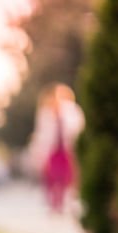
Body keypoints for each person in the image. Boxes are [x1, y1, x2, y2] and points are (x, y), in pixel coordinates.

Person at [27, 83, 85, 212]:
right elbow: (41, 133)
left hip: (68, 148)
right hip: (52, 150)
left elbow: (78, 128)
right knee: (52, 176)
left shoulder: (71, 111)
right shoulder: (46, 112)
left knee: (68, 176)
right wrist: (38, 152)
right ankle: (54, 203)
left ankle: (69, 202)